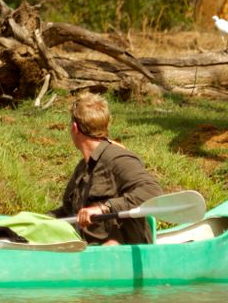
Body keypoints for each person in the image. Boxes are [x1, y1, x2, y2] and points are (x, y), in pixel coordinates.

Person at [50, 93, 163, 245]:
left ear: (74, 127)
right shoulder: (82, 168)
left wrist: (105, 208)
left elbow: (152, 191)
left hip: (121, 253)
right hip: (89, 252)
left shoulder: (117, 158)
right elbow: (67, 212)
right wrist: (34, 221)